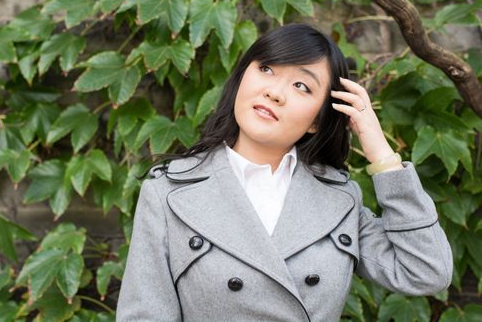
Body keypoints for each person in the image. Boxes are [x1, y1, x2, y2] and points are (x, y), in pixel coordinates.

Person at [116, 24, 453, 322]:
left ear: (318, 121)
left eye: (302, 87)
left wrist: (381, 153)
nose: (274, 92)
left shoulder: (339, 200)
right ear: (242, 77)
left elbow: (425, 271)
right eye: (266, 68)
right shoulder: (169, 192)